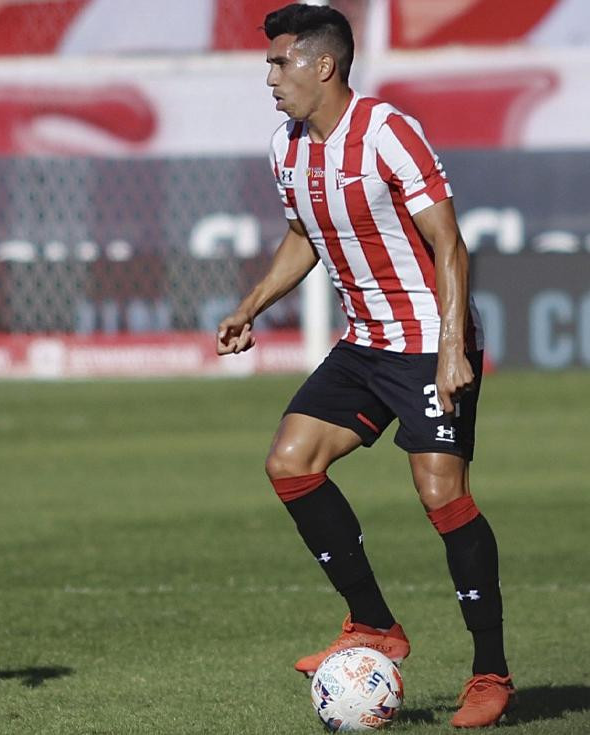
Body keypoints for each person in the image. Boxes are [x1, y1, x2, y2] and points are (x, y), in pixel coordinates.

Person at [216, 5, 512, 728]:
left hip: (426, 341)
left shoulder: (387, 132)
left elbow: (449, 243)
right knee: (290, 461)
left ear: (323, 64)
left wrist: (451, 347)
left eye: (279, 62)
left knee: (441, 492)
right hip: (364, 342)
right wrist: (251, 304)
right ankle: (374, 622)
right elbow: (302, 237)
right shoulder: (286, 147)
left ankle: (491, 672)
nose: (269, 76)